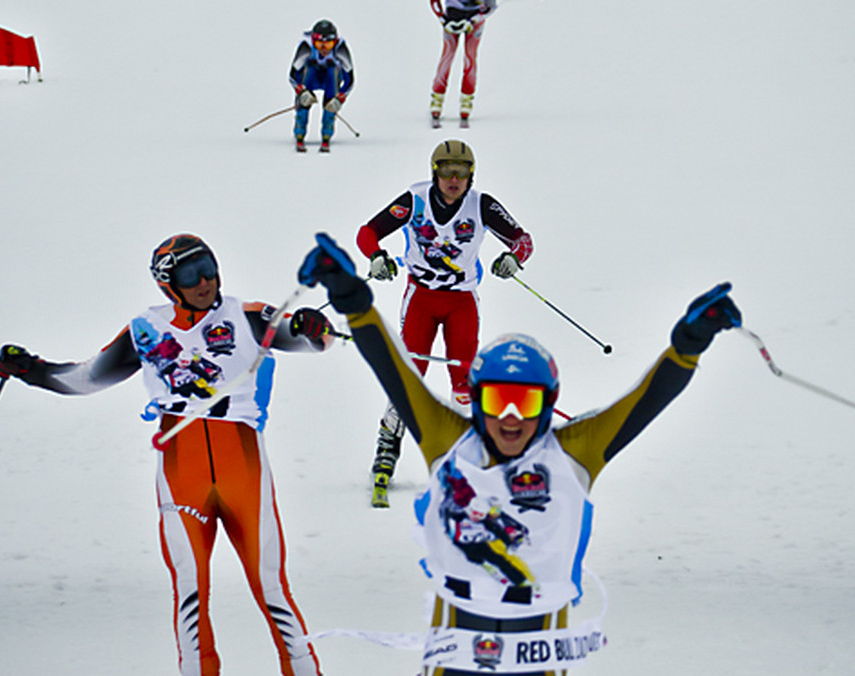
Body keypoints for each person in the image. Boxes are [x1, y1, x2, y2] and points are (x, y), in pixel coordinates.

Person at [298, 233, 741, 676]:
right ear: (475, 399)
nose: (510, 419)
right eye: (496, 401)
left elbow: (646, 400)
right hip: (453, 661)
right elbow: (393, 370)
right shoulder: (448, 442)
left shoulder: (573, 455)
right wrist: (350, 297)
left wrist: (689, 344)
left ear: (549, 405)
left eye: (526, 403)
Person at [0, 234, 332, 676]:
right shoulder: (146, 330)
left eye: (209, 267)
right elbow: (85, 379)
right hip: (180, 465)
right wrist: (33, 370)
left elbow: (311, 339)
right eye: (190, 274)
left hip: (242, 463)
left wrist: (311, 327)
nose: (205, 281)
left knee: (270, 587)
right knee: (191, 591)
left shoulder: (247, 316)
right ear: (167, 283)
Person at [356, 139, 533, 507]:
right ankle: (387, 449)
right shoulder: (415, 199)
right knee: (409, 375)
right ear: (434, 173)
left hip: (461, 302)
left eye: (462, 173)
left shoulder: (481, 204)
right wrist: (376, 257)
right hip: (421, 298)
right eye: (447, 172)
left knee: (465, 381)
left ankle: (466, 458)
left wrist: (514, 258)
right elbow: (367, 232)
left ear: (471, 175)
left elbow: (523, 239)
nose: (454, 180)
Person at [289, 18, 354, 153]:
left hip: (330, 77)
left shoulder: (340, 48)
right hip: (311, 77)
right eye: (319, 45)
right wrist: (301, 92)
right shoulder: (306, 46)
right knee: (309, 74)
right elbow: (293, 75)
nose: (324, 49)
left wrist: (340, 98)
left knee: (332, 75)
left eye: (328, 45)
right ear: (313, 41)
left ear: (334, 42)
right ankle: (299, 130)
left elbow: (350, 79)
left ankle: (327, 132)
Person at [429, 0, 497, 126]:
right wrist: (442, 19)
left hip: (474, 19)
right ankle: (437, 98)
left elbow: (491, 6)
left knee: (470, 57)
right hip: (451, 17)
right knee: (447, 56)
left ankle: (467, 99)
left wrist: (475, 20)